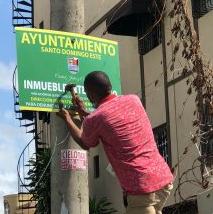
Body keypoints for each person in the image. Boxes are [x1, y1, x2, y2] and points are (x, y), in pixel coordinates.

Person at [57, 71, 174, 214]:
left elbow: (85, 142)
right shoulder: (134, 100)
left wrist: (67, 119)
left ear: (90, 96)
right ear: (111, 86)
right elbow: (111, 121)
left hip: (141, 188)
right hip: (163, 179)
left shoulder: (95, 119)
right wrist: (85, 113)